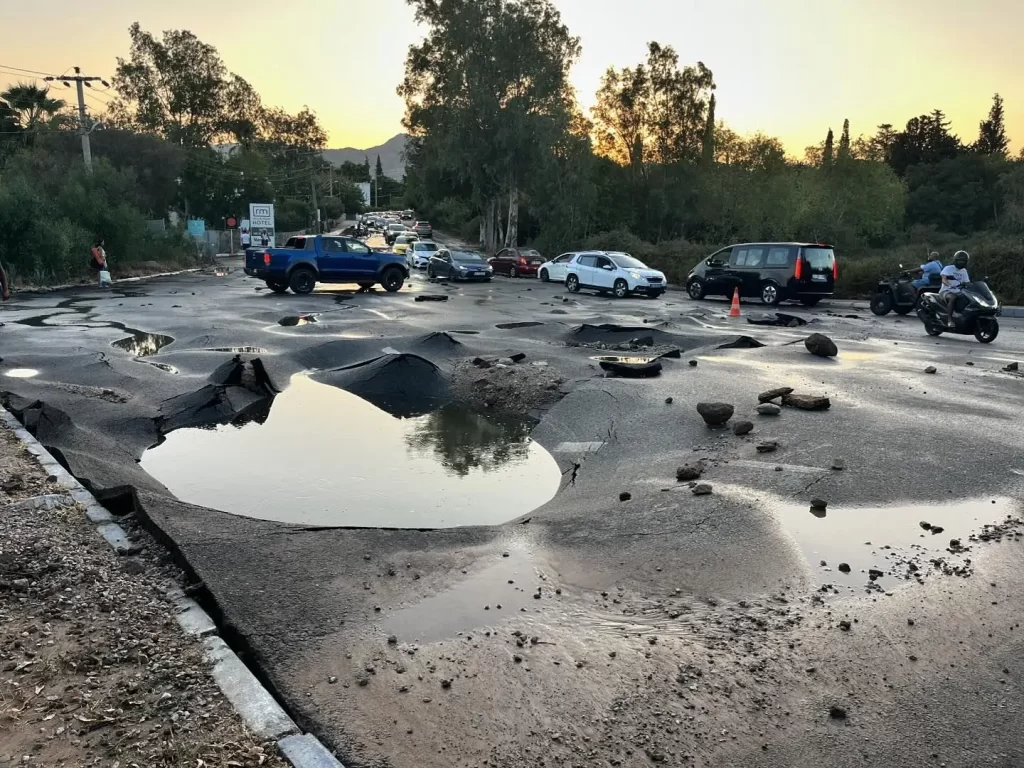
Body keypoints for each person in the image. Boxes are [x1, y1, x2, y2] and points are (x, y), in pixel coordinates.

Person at [939, 250, 970, 326]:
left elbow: (967, 282)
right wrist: (949, 285)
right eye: (960, 261)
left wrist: (974, 286)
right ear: (956, 260)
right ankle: (950, 320)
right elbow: (944, 279)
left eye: (963, 261)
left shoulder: (964, 271)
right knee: (952, 298)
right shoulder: (948, 268)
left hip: (959, 292)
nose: (961, 263)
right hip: (946, 291)